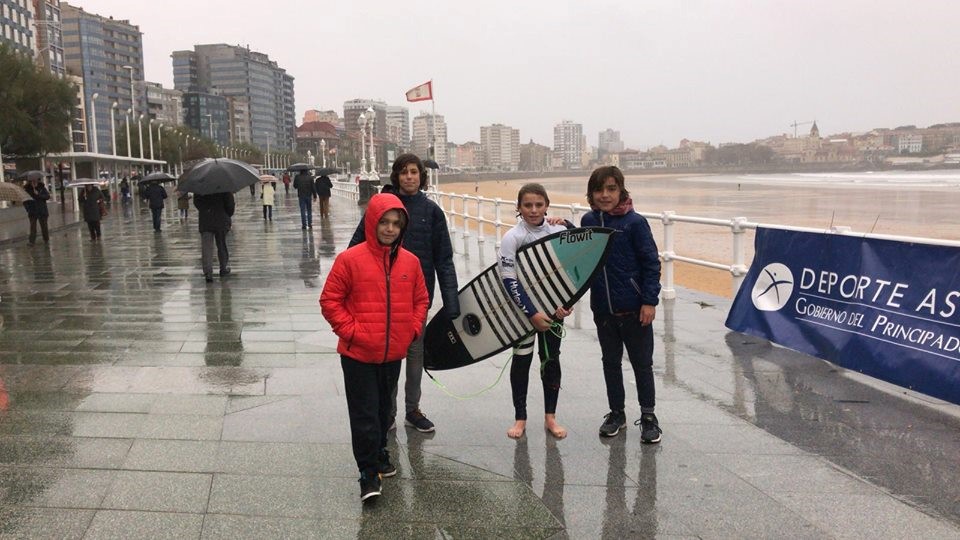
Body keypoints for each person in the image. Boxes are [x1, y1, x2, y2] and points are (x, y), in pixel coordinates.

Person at [321, 193, 429, 503]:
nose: (390, 229)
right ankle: (368, 472)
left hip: (393, 352)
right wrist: (352, 332)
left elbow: (421, 299)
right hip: (358, 355)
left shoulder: (410, 262)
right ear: (372, 222)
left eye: (396, 223)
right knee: (365, 413)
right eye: (384, 222)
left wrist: (411, 328)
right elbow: (330, 301)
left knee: (384, 409)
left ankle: (380, 452)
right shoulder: (350, 259)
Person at [348, 153, 460, 433]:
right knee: (387, 356)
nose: (409, 177)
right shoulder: (382, 208)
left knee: (414, 353)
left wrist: (452, 303)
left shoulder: (432, 211)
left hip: (416, 298)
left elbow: (444, 259)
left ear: (421, 176)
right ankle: (387, 412)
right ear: (396, 176)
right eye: (403, 172)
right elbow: (354, 249)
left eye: (414, 172)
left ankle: (412, 409)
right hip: (381, 295)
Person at [581, 166, 663, 443]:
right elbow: (581, 257)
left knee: (642, 364)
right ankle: (617, 414)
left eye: (611, 189)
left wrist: (649, 301)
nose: (605, 195)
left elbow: (651, 264)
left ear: (621, 191)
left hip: (634, 309)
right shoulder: (588, 220)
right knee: (610, 363)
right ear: (591, 193)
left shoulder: (634, 223)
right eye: (599, 189)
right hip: (603, 310)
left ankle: (649, 417)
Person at [499, 183, 573, 440]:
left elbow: (577, 263)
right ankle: (520, 418)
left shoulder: (557, 230)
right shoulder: (512, 237)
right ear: (518, 207)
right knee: (521, 361)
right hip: (522, 312)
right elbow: (509, 279)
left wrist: (568, 303)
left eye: (538, 205)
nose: (533, 210)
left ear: (547, 205)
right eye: (527, 205)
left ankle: (550, 417)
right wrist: (531, 313)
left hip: (554, 309)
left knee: (551, 360)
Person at [193, 191, 235, 283]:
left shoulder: (200, 186)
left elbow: (196, 202)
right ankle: (223, 268)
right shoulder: (224, 186)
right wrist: (226, 214)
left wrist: (205, 210)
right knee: (222, 245)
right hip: (221, 220)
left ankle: (208, 272)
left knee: (207, 247)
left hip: (206, 220)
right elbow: (230, 205)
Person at [23, 176, 50, 245]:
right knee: (33, 227)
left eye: (35, 180)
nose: (34, 182)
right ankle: (31, 241)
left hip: (42, 210)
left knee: (44, 226)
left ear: (37, 181)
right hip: (32, 211)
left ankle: (46, 239)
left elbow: (47, 196)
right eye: (32, 181)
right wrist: (28, 209)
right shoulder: (27, 190)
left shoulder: (42, 188)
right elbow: (25, 201)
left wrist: (39, 195)